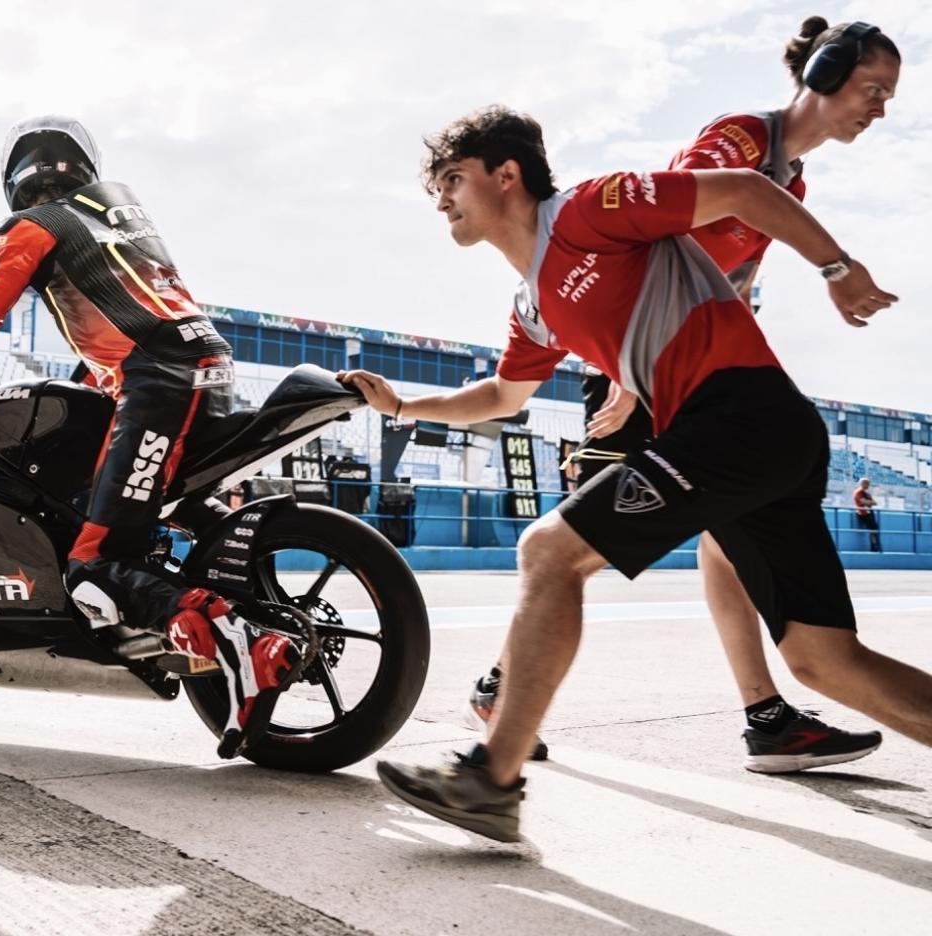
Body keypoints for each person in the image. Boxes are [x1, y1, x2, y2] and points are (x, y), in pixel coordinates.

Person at [341, 102, 932, 844]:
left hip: (739, 415)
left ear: (507, 174)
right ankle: (493, 776)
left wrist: (838, 270)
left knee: (550, 551)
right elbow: (502, 397)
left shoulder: (589, 210)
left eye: (453, 179)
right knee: (823, 660)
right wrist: (400, 405)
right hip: (752, 435)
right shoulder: (531, 306)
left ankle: (491, 780)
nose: (441, 199)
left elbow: (746, 191)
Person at [468, 18, 897, 774]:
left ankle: (766, 715)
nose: (881, 107)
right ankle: (500, 695)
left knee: (718, 534)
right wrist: (632, 383)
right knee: (566, 548)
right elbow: (672, 230)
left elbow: (734, 274)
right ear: (824, 72)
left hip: (683, 361)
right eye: (873, 88)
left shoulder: (791, 177)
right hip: (640, 363)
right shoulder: (740, 140)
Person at [0, 115, 300, 759]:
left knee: (92, 569)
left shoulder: (31, 227)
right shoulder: (116, 212)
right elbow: (122, 315)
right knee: (125, 514)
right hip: (206, 374)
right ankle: (193, 610)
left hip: (160, 381)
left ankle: (237, 640)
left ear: (16, 178)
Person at [854, 477, 881, 552]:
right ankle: (873, 547)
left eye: (868, 483)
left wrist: (869, 502)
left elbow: (875, 503)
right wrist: (869, 502)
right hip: (863, 513)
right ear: (862, 483)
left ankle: (875, 546)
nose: (868, 485)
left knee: (874, 528)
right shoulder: (859, 492)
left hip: (869, 512)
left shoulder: (867, 493)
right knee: (873, 529)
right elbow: (864, 502)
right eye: (867, 483)